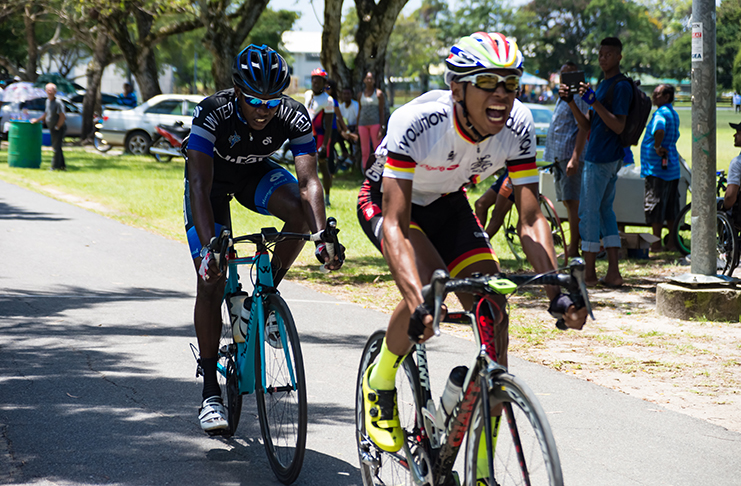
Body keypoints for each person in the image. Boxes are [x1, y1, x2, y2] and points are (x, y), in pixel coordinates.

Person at [356, 32, 587, 464]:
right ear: (458, 88)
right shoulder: (419, 120)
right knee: (428, 293)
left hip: (448, 203)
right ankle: (381, 379)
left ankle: (481, 464)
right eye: (488, 82)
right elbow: (396, 223)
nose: (502, 94)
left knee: (493, 308)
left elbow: (532, 218)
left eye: (511, 83)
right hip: (390, 202)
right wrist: (419, 302)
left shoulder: (518, 125)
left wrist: (559, 291)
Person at [183, 45, 343, 434]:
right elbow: (200, 186)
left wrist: (322, 236)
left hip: (255, 176)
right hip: (211, 187)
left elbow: (309, 183)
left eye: (272, 101)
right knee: (212, 281)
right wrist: (209, 251)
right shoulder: (213, 111)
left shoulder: (292, 114)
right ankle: (209, 392)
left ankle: (266, 300)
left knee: (303, 214)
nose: (263, 110)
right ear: (237, 91)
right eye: (254, 100)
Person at [567, 37, 631, 288]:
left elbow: (618, 125)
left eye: (608, 54)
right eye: (600, 54)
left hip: (603, 158)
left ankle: (590, 273)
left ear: (619, 57)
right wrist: (572, 101)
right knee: (605, 212)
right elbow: (587, 125)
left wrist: (595, 102)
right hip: (598, 155)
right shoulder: (603, 85)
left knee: (588, 213)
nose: (602, 58)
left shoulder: (620, 86)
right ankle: (613, 273)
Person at [544, 61, 590, 258]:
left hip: (569, 156)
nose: (565, 79)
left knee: (573, 202)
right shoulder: (563, 96)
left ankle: (573, 248)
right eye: (563, 74)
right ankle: (573, 246)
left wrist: (575, 158)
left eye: (570, 75)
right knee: (568, 201)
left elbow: (583, 126)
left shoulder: (578, 98)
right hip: (559, 156)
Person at [640, 84, 681, 252]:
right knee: (671, 207)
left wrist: (657, 146)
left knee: (655, 205)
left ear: (666, 97)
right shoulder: (673, 113)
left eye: (657, 94)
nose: (653, 96)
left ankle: (656, 243)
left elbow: (659, 129)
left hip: (657, 168)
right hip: (671, 167)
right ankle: (671, 242)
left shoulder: (660, 113)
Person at [304, 68, 334, 206]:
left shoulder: (328, 100)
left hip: (320, 137)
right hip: (307, 135)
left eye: (318, 81)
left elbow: (328, 125)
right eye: (313, 81)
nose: (315, 83)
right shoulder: (307, 94)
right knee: (306, 167)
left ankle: (327, 198)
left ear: (324, 82)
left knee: (322, 166)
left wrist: (324, 145)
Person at [30, 83, 66, 171]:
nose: (49, 92)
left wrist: (58, 126)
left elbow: (62, 116)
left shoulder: (58, 102)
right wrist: (37, 120)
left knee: (56, 148)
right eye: (48, 90)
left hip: (58, 128)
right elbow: (46, 114)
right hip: (52, 127)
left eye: (51, 90)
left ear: (55, 91)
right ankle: (62, 166)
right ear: (45, 91)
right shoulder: (47, 101)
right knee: (57, 147)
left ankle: (55, 166)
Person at [357, 71, 386, 171]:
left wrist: (382, 127)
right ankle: (365, 172)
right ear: (364, 80)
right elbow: (359, 111)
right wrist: (357, 126)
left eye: (371, 78)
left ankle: (380, 171)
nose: (369, 80)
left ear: (374, 81)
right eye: (367, 78)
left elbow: (381, 111)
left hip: (375, 124)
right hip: (362, 124)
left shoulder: (378, 94)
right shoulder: (360, 95)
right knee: (365, 151)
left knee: (378, 149)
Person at [474, 169, 515, 239]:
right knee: (480, 204)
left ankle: (482, 243)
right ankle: (477, 239)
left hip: (518, 172)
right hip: (509, 170)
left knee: (497, 213)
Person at [337, 86, 360, 169]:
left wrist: (354, 133)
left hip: (355, 128)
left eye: (348, 94)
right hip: (346, 128)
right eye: (344, 94)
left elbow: (358, 120)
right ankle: (344, 153)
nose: (346, 96)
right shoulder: (341, 106)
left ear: (351, 95)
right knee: (337, 134)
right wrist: (342, 132)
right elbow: (338, 120)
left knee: (353, 139)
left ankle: (352, 156)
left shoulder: (355, 105)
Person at [722, 122, 741, 216]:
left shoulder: (737, 163)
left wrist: (724, 207)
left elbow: (730, 197)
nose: (734, 135)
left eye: (738, 133)